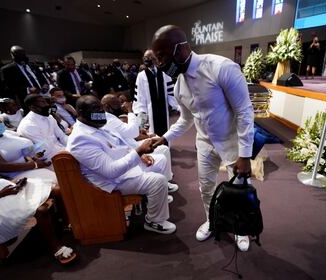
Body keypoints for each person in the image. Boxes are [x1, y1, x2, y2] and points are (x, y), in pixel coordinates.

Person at [151, 25, 254, 251]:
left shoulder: (222, 68)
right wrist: (165, 138)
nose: (159, 64)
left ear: (179, 48)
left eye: (161, 56)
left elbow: (245, 111)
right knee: (206, 188)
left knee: (239, 190)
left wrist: (245, 155)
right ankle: (212, 220)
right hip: (204, 144)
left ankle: (241, 228)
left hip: (232, 143)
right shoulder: (179, 85)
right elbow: (186, 120)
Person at [66, 95, 176, 233]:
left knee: (160, 160)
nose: (101, 112)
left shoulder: (95, 122)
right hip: (111, 181)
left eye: (100, 108)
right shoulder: (80, 139)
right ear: (81, 112)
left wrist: (139, 155)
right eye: (96, 109)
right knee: (158, 181)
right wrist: (138, 151)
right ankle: (154, 221)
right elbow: (110, 171)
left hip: (122, 167)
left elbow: (119, 144)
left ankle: (153, 200)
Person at [0, 160, 76, 264]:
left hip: (4, 187)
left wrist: (12, 181)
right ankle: (56, 248)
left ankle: (71, 222)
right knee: (40, 209)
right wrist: (2, 193)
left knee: (57, 190)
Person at [101, 94, 178, 193]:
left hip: (131, 146)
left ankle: (166, 181)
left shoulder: (111, 117)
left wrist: (144, 134)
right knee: (162, 152)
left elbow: (131, 133)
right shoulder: (108, 119)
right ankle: (162, 185)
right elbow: (132, 132)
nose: (120, 106)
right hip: (129, 153)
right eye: (116, 104)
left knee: (162, 146)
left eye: (119, 103)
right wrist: (130, 111)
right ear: (107, 107)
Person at [134, 50, 179, 136]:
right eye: (145, 58)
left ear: (155, 59)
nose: (146, 59)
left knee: (165, 134)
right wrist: (141, 115)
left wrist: (175, 106)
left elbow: (170, 92)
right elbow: (139, 97)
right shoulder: (141, 76)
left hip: (164, 111)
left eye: (149, 57)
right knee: (152, 135)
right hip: (149, 112)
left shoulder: (164, 74)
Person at [17, 94, 68, 161]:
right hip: (47, 158)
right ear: (32, 107)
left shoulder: (49, 117)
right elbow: (44, 149)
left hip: (61, 150)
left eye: (46, 102)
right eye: (43, 102)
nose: (47, 105)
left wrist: (72, 147)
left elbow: (62, 136)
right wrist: (67, 154)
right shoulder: (28, 125)